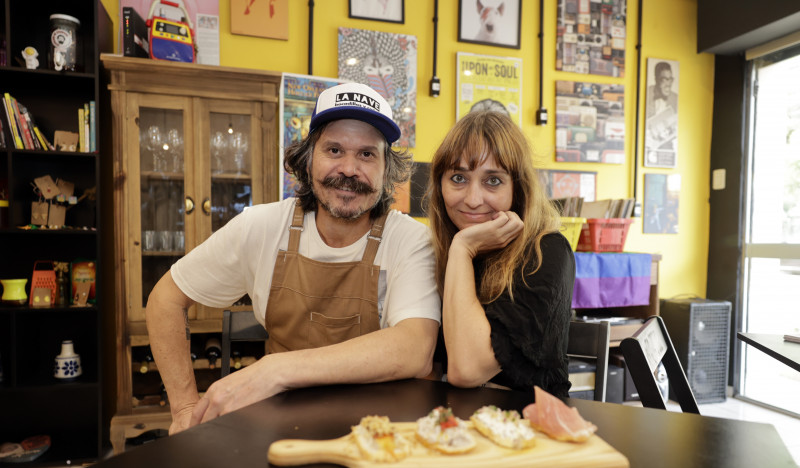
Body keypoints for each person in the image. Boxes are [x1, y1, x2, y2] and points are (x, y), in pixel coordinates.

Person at [146, 83, 441, 434]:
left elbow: (414, 348)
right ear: (308, 157)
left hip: (380, 432)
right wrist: (183, 410)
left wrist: (275, 370)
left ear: (386, 169)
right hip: (278, 428)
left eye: (367, 154)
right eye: (334, 149)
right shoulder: (262, 226)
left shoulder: (411, 240)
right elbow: (165, 299)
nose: (349, 169)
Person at [425, 111, 575, 397]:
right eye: (458, 177)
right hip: (455, 424)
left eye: (492, 181)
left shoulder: (548, 252)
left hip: (528, 428)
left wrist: (462, 249)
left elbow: (466, 370)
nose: (472, 199)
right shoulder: (435, 250)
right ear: (440, 185)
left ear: (517, 190)